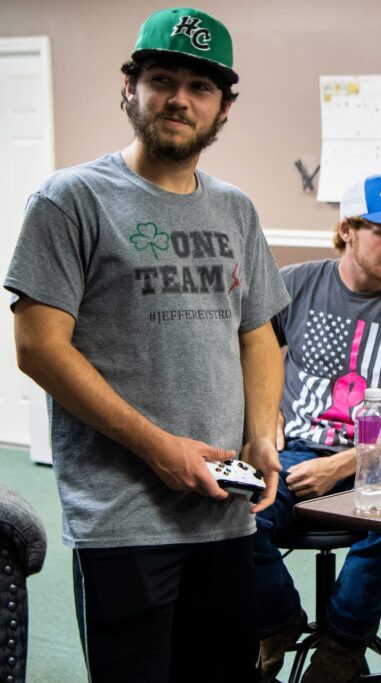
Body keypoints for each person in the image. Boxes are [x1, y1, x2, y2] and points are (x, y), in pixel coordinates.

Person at [4, 8, 290, 682]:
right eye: (162, 79)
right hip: (122, 518)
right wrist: (159, 448)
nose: (179, 99)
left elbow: (257, 331)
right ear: (128, 87)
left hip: (223, 514)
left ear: (224, 108)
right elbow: (39, 347)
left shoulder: (236, 209)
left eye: (200, 88)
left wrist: (263, 435)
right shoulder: (69, 200)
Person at [254, 173, 381, 682]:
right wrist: (262, 415)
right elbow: (245, 355)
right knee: (223, 507)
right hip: (293, 451)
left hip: (378, 457)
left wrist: (345, 464)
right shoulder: (297, 283)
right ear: (346, 229)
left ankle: (343, 643)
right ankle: (278, 621)